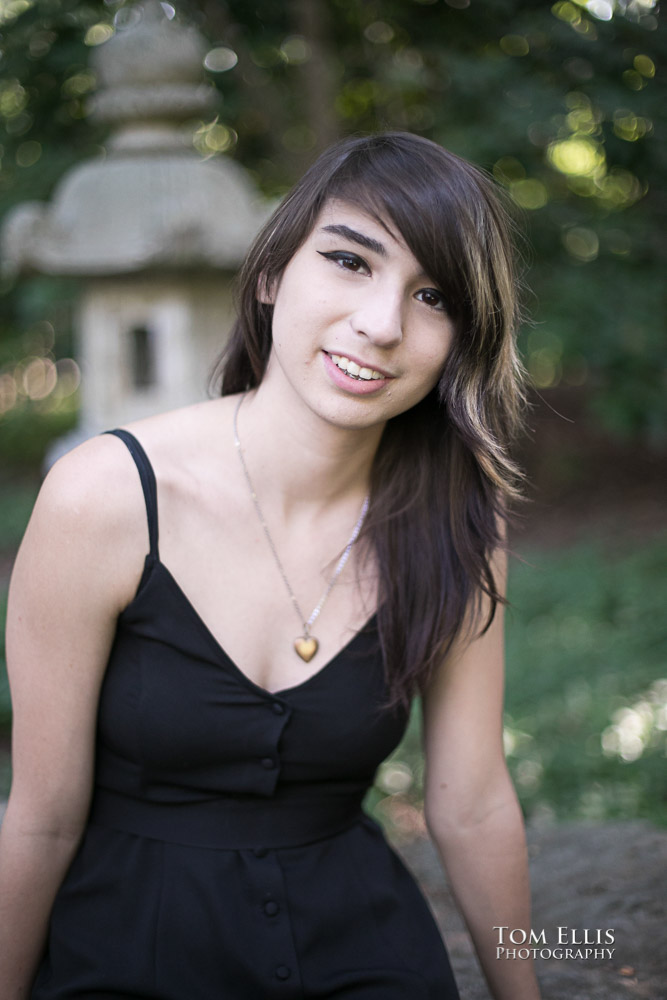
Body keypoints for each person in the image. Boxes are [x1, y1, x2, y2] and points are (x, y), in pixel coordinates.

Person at [0, 131, 541, 999]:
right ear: (270, 274)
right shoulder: (104, 496)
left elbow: (471, 801)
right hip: (131, 954)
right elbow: (41, 818)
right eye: (349, 261)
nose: (381, 324)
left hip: (365, 955)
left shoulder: (460, 524)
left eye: (432, 295)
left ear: (461, 338)